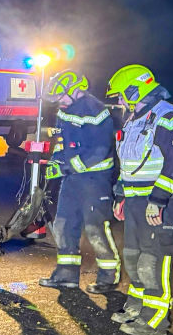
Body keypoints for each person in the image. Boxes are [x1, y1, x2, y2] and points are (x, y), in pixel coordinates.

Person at [106, 64, 173, 335]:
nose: (119, 101)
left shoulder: (169, 117)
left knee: (153, 258)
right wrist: (121, 195)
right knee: (133, 255)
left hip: (158, 203)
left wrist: (158, 200)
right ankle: (137, 305)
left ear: (135, 90)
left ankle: (156, 318)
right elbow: (129, 164)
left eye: (121, 95)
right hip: (134, 201)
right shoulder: (134, 119)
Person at [37, 70, 120, 293]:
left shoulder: (96, 110)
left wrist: (71, 166)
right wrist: (56, 161)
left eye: (62, 97)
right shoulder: (65, 110)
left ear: (75, 90)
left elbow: (100, 150)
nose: (60, 103)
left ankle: (108, 277)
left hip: (95, 180)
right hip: (72, 179)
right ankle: (66, 275)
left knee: (95, 229)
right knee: (64, 225)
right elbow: (63, 141)